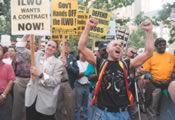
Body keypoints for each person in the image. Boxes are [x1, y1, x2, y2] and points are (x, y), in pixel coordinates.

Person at [78, 18, 153, 120]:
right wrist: (88, 26)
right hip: (103, 114)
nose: (118, 46)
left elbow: (148, 53)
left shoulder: (126, 64)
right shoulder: (100, 62)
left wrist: (149, 31)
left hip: (122, 114)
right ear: (108, 50)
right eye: (115, 45)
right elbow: (82, 47)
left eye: (120, 46)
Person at [25, 40, 69, 120]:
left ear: (55, 50)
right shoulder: (37, 55)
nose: (50, 48)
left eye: (53, 47)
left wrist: (41, 74)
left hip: (46, 103)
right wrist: (27, 35)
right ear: (45, 46)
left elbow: (55, 81)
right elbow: (21, 50)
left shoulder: (58, 63)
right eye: (49, 45)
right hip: (31, 98)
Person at [143, 38, 175, 118]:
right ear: (156, 46)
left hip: (168, 84)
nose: (162, 46)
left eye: (164, 45)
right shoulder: (150, 56)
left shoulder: (171, 56)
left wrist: (169, 80)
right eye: (160, 45)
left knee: (167, 104)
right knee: (154, 104)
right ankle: (152, 116)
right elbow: (145, 72)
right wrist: (153, 80)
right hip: (154, 84)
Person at [56, 40, 79, 120]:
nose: (64, 47)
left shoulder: (72, 58)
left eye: (66, 45)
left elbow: (76, 72)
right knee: (58, 107)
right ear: (59, 48)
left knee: (69, 107)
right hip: (57, 85)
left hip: (68, 84)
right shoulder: (56, 59)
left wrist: (67, 65)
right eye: (62, 45)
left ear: (68, 47)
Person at [12, 35, 31, 120]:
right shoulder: (17, 54)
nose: (28, 43)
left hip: (30, 81)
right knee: (17, 106)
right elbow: (13, 67)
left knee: (27, 107)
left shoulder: (33, 54)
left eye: (30, 42)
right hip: (19, 81)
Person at [0, 44, 16, 120]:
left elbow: (11, 81)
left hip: (5, 97)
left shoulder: (8, 67)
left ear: (3, 53)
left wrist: (3, 95)